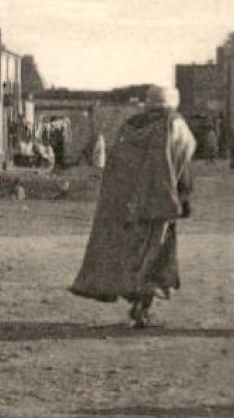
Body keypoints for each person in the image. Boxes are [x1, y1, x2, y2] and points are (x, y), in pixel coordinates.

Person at [70, 86, 196, 328]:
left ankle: (136, 300)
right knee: (156, 253)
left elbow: (117, 165)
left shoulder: (130, 125)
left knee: (131, 252)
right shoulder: (174, 123)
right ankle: (143, 307)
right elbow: (182, 161)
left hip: (126, 203)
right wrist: (184, 195)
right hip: (159, 201)